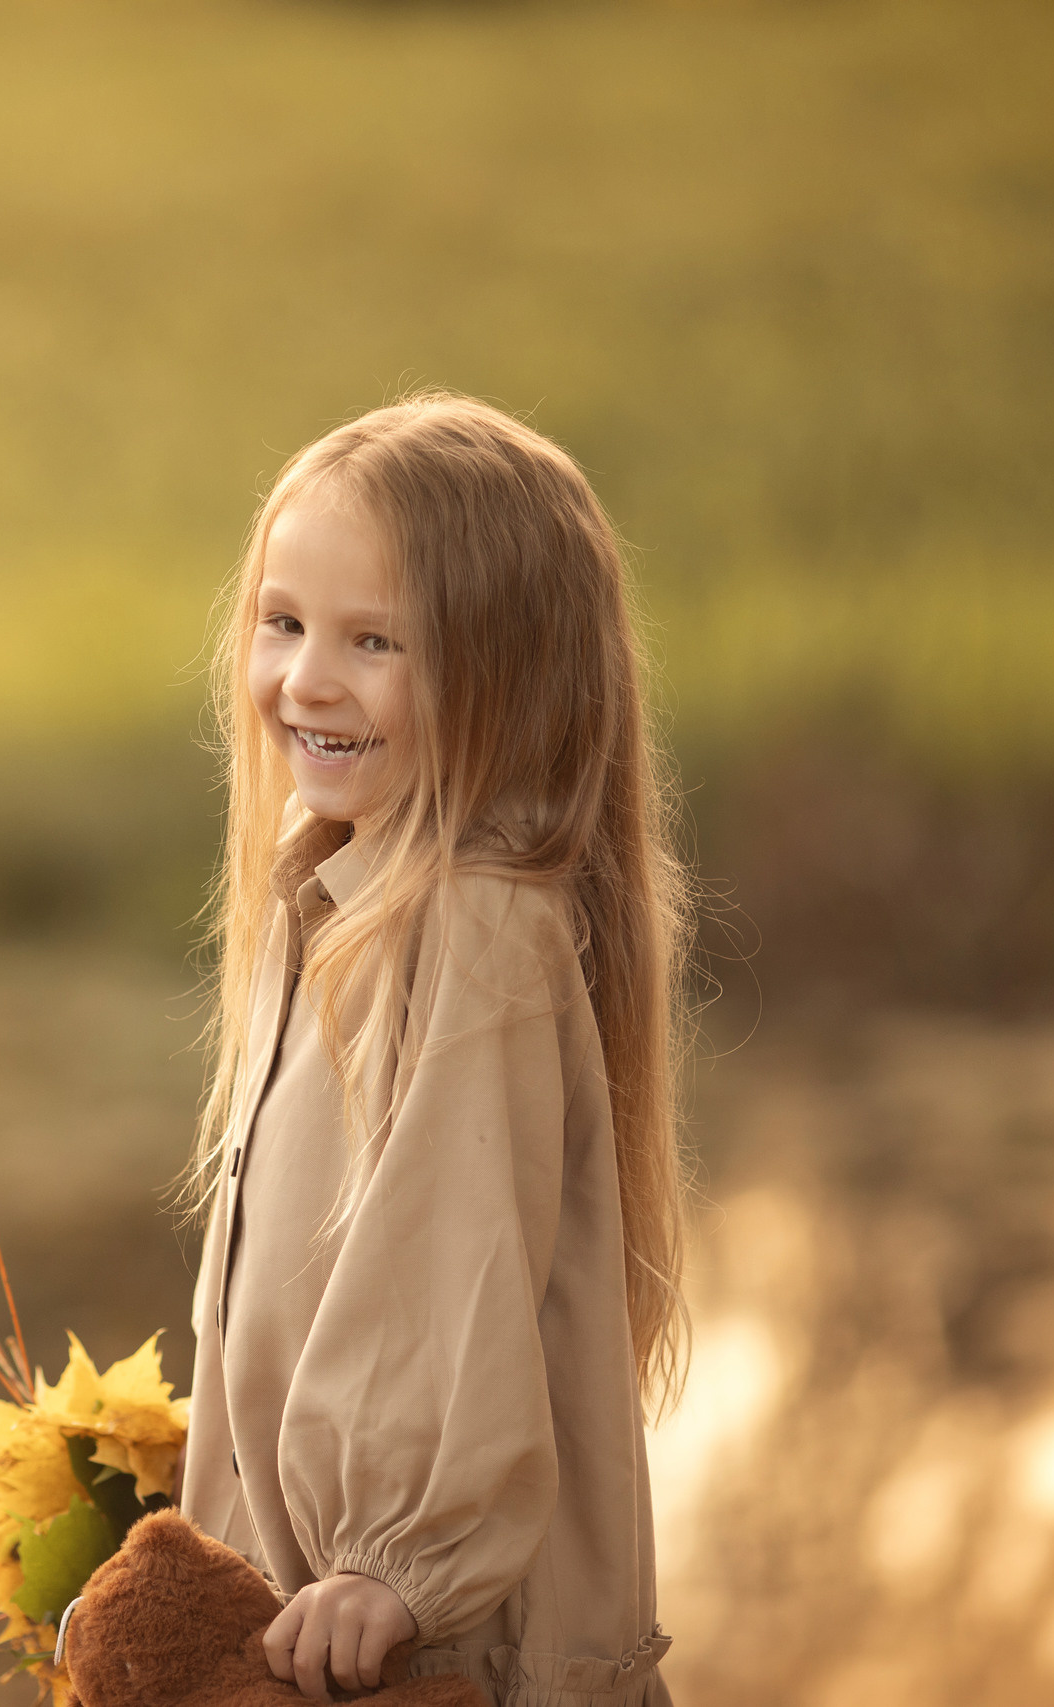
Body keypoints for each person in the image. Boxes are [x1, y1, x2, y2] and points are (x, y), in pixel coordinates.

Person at [175, 393, 691, 1707]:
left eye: (376, 641)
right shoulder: (337, 899)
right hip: (323, 1632)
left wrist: (395, 1560)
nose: (307, 680)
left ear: (508, 678)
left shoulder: (469, 933)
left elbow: (448, 1273)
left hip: (432, 1656)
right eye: (283, 623)